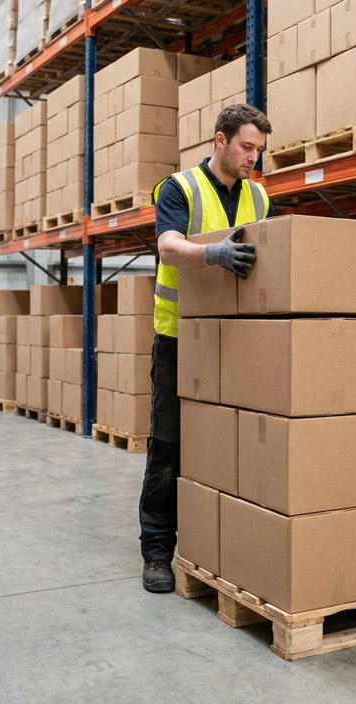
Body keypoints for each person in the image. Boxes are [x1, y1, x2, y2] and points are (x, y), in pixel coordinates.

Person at [139, 103, 274, 593]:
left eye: (258, 150)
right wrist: (212, 254)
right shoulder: (180, 188)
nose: (252, 159)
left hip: (237, 340)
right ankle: (157, 553)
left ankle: (220, 547)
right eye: (245, 147)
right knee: (169, 449)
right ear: (220, 140)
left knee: (231, 445)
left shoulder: (259, 197)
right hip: (180, 340)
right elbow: (168, 247)